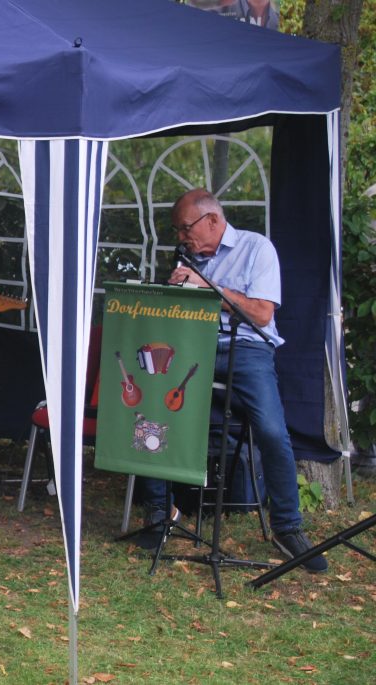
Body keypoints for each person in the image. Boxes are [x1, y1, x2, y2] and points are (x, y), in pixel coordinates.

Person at [136, 188, 326, 572]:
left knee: (272, 431)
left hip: (248, 349)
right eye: (177, 231)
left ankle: (287, 527)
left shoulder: (257, 250)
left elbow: (260, 313)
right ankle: (160, 510)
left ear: (213, 220)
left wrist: (207, 287)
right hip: (193, 345)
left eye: (185, 228)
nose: (181, 237)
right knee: (154, 408)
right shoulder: (187, 257)